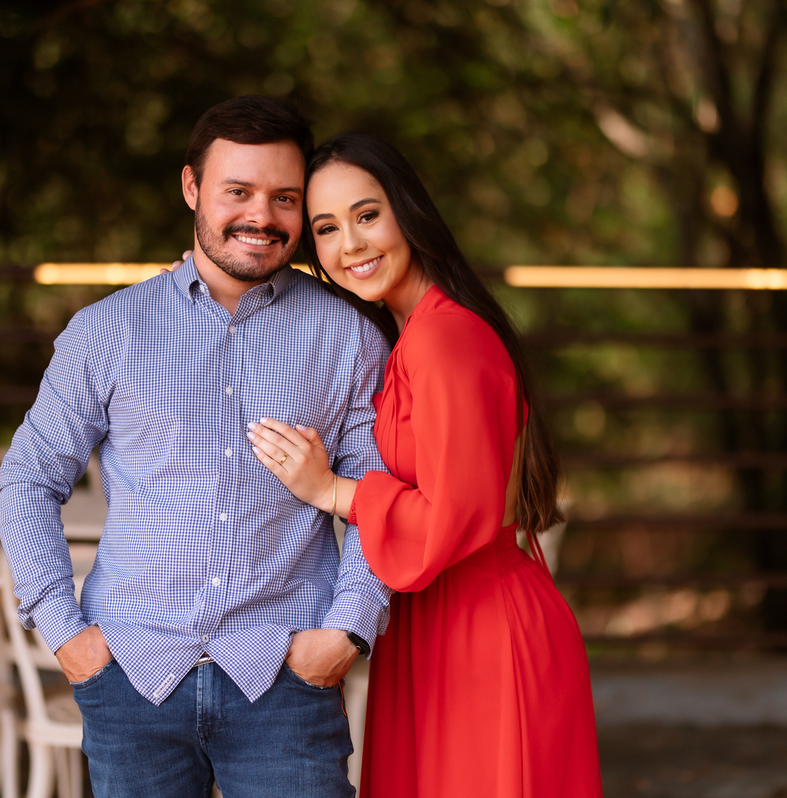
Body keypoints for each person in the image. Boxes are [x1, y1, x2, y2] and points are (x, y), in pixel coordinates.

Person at [0, 97, 392, 798]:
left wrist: (347, 631)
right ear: (191, 189)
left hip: (286, 681)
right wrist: (68, 637)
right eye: (238, 191)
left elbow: (380, 493)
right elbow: (26, 481)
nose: (261, 216)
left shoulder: (348, 336)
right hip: (132, 680)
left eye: (284, 198)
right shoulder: (107, 331)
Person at [245, 132, 603, 797]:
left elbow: (447, 519)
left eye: (366, 214)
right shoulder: (410, 334)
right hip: (440, 622)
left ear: (407, 211)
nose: (351, 243)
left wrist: (330, 490)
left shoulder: (442, 340)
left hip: (482, 631)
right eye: (326, 228)